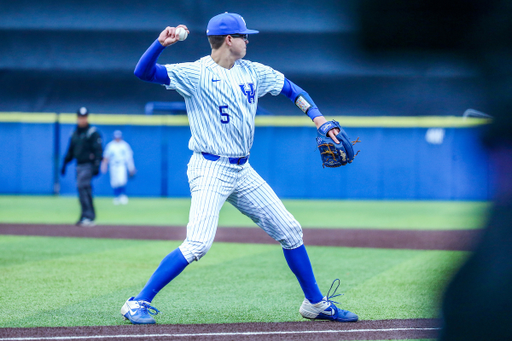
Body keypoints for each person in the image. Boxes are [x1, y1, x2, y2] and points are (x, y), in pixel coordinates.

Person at [121, 12, 358, 324]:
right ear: (229, 39)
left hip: (242, 170)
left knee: (291, 231)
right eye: (244, 35)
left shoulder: (253, 72)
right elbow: (144, 72)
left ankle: (314, 304)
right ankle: (137, 302)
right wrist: (159, 45)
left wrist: (320, 119)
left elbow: (292, 89)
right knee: (198, 244)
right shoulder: (196, 73)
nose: (248, 40)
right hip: (209, 168)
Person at [61, 107, 103, 227]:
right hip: (78, 166)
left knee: (82, 186)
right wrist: (65, 163)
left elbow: (98, 150)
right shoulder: (75, 133)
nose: (82, 119)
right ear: (77, 118)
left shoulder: (92, 132)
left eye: (84, 117)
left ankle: (88, 216)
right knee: (84, 190)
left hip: (88, 165)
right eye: (80, 117)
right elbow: (71, 150)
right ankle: (86, 215)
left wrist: (96, 165)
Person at [101, 130, 136, 205]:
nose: (117, 138)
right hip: (113, 165)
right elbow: (106, 157)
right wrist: (104, 165)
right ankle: (116, 196)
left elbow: (129, 157)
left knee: (122, 180)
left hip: (121, 164)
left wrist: (131, 168)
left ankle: (122, 195)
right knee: (114, 181)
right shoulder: (110, 145)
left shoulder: (124, 145)